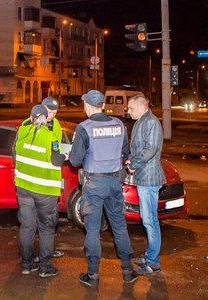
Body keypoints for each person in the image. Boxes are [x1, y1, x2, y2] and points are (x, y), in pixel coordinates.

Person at [69, 90, 138, 286]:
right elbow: (126, 153)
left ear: (88, 106)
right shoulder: (119, 125)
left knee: (92, 230)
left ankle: (93, 275)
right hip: (115, 183)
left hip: (94, 185)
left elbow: (74, 160)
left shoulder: (84, 128)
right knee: (119, 227)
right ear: (101, 105)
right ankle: (127, 271)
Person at [13, 104, 68, 278]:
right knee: (46, 229)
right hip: (45, 191)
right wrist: (65, 156)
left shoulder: (21, 133)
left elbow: (14, 154)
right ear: (46, 119)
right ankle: (45, 268)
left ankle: (27, 264)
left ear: (30, 117)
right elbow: (58, 160)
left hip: (23, 188)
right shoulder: (51, 138)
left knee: (27, 227)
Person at [126, 95, 166, 275]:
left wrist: (134, 164)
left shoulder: (151, 122)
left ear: (142, 106)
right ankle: (150, 256)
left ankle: (153, 262)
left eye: (131, 108)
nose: (128, 111)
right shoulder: (142, 121)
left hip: (149, 179)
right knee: (147, 218)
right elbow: (139, 148)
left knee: (150, 220)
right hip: (143, 178)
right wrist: (130, 159)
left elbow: (151, 149)